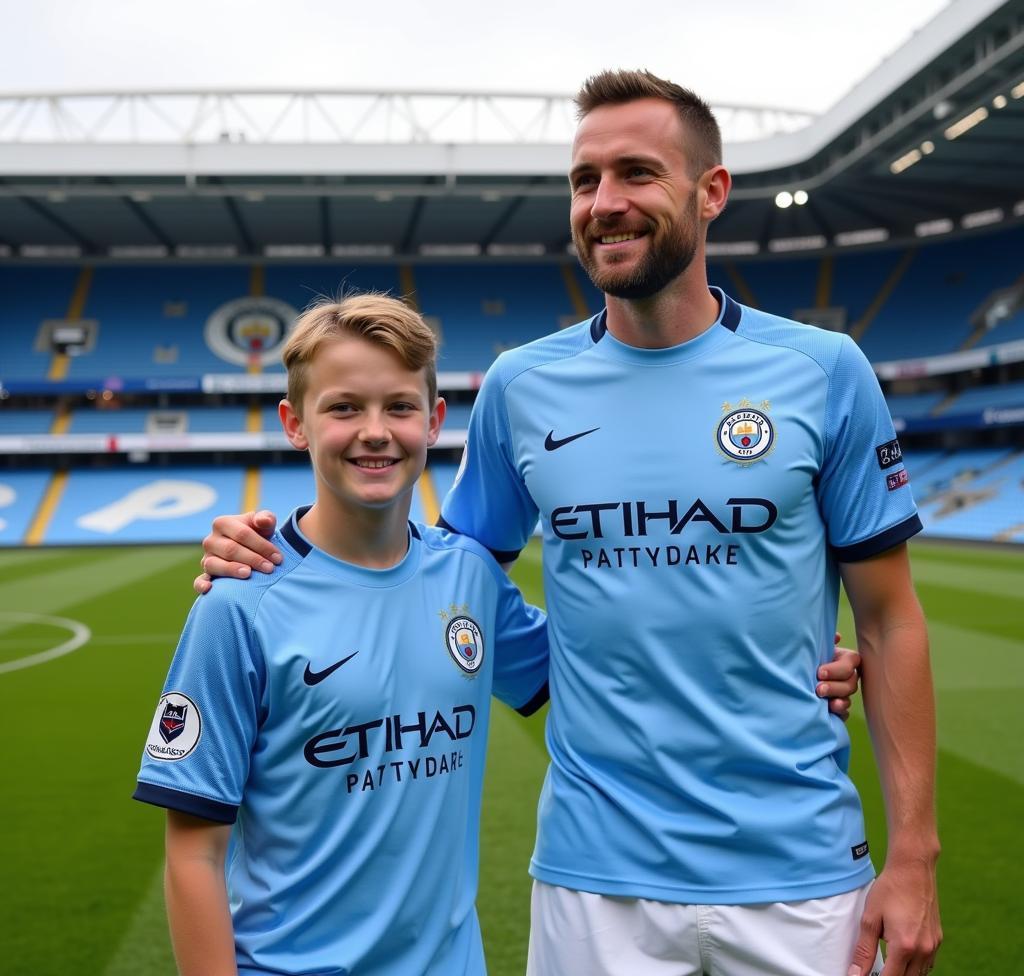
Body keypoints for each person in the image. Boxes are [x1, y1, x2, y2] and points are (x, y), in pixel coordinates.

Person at [196, 69, 941, 976]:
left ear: (711, 193)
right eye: (585, 180)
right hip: (595, 884)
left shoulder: (823, 370)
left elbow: (891, 618)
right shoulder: (521, 384)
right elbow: (440, 573)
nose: (605, 203)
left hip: (801, 872)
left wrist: (914, 857)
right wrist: (278, 562)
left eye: (637, 173)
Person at [134, 294, 549, 976]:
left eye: (399, 406)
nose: (376, 431)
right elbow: (193, 852)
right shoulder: (238, 604)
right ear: (296, 424)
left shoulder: (470, 576)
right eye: (345, 407)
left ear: (435, 419)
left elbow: (583, 667)